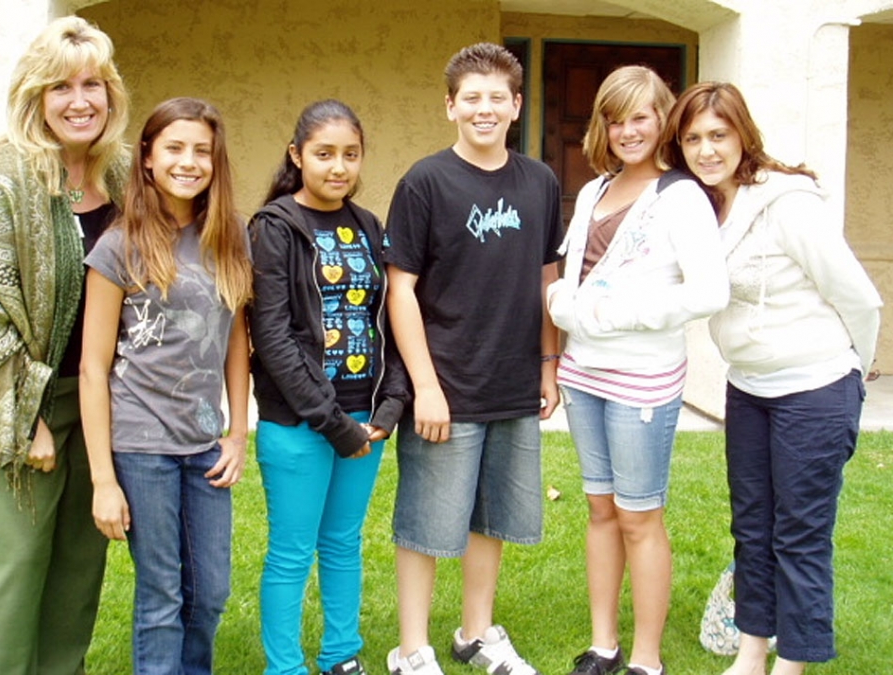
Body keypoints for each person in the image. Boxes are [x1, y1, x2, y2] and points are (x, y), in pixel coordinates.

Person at [662, 82, 882, 675]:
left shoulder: (789, 204)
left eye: (718, 135)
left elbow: (859, 298)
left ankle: (797, 660)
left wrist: (852, 376)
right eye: (692, 139)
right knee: (751, 527)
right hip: (750, 389)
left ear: (742, 136)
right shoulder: (705, 209)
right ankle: (752, 651)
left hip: (815, 389)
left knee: (799, 533)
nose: (706, 150)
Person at [0, 16, 129, 675]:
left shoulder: (122, 173)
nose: (80, 100)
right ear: (34, 98)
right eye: (60, 88)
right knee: (18, 559)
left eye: (93, 85)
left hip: (95, 399)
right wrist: (27, 417)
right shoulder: (3, 178)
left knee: (80, 559)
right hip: (17, 397)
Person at [383, 43, 564, 675]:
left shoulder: (540, 181)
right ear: (450, 106)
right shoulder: (425, 181)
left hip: (513, 381)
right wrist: (426, 387)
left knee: (492, 517)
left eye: (497, 98)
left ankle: (476, 633)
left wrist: (548, 364)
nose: (484, 109)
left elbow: (548, 278)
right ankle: (412, 649)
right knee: (427, 523)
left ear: (516, 106)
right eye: (471, 97)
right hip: (448, 383)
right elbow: (399, 287)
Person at [547, 65, 729, 675]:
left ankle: (647, 659)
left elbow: (709, 293)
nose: (628, 130)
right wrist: (562, 307)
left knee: (639, 515)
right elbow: (568, 277)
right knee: (600, 510)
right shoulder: (596, 189)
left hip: (642, 380)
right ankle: (605, 645)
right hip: (582, 375)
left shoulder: (681, 196)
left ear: (663, 120)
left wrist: (619, 314)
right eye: (615, 118)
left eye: (640, 117)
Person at [79, 97, 252, 674]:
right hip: (140, 442)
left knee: (209, 594)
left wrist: (237, 432)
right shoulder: (118, 245)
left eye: (202, 150)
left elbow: (234, 340)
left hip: (204, 442)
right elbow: (92, 368)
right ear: (147, 158)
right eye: (174, 148)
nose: (189, 161)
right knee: (162, 596)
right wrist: (104, 480)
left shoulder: (228, 238)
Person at [248, 99, 408, 675]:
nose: (338, 167)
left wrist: (388, 408)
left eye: (350, 154)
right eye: (323, 154)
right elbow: (272, 336)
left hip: (364, 419)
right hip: (300, 424)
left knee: (343, 542)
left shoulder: (368, 227)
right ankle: (285, 667)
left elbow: (388, 319)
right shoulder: (273, 227)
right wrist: (331, 422)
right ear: (297, 156)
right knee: (292, 550)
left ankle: (342, 655)